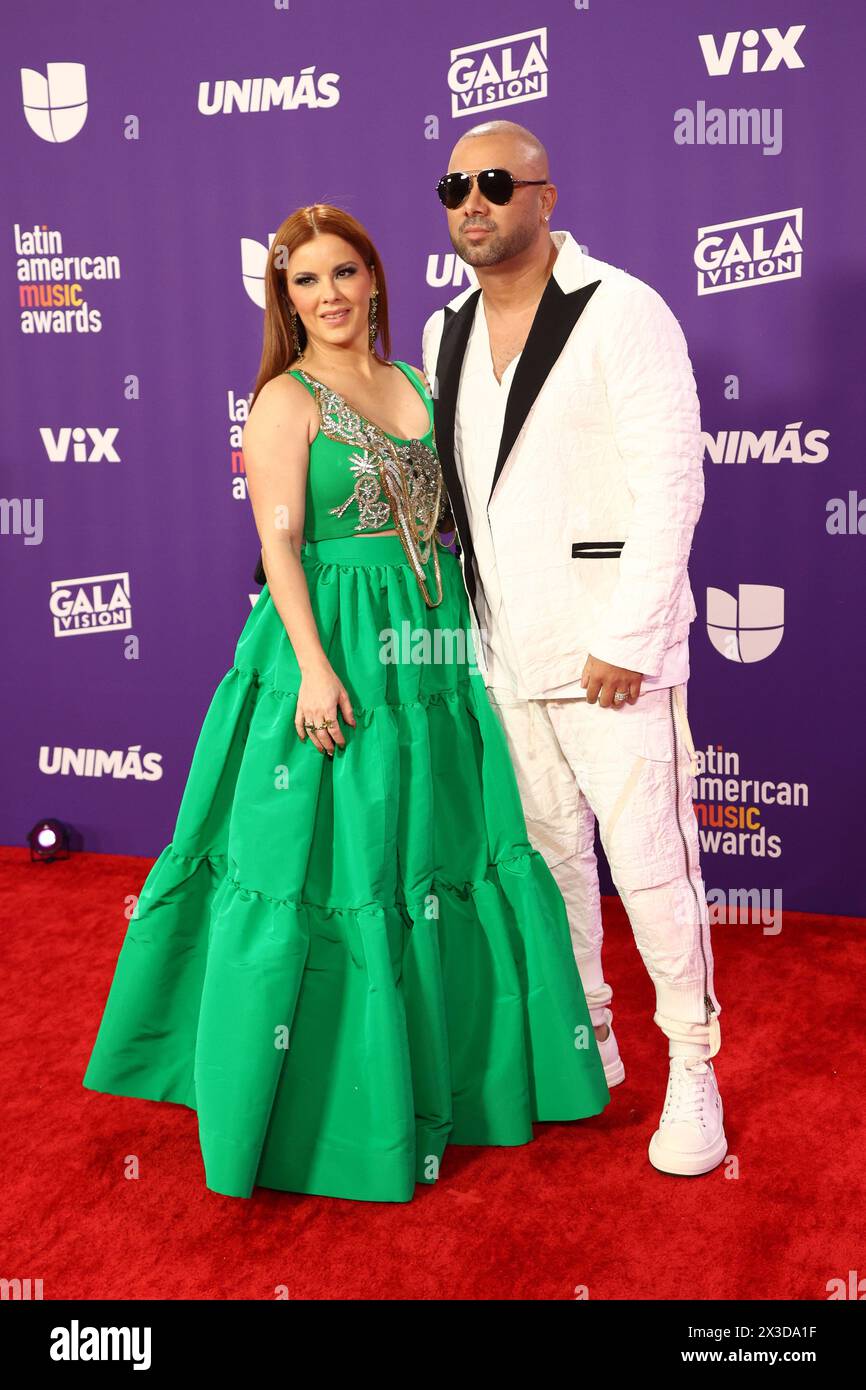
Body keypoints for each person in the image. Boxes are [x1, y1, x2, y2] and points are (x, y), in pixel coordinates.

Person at [82, 204, 610, 1203]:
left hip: (431, 649)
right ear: (285, 299)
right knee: (341, 863)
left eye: (342, 273)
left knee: (438, 853)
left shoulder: (415, 379)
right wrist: (316, 668)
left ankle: (450, 1075)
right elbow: (281, 543)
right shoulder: (286, 399)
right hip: (333, 641)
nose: (327, 295)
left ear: (373, 279)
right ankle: (329, 1110)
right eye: (304, 281)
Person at [422, 121, 727, 1177]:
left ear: (545, 195)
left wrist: (627, 637)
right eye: (454, 184)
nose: (472, 200)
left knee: (649, 870)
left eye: (495, 183)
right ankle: (584, 1040)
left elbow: (671, 486)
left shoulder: (622, 310)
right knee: (551, 868)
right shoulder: (442, 329)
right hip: (506, 660)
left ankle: (691, 1065)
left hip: (612, 662)